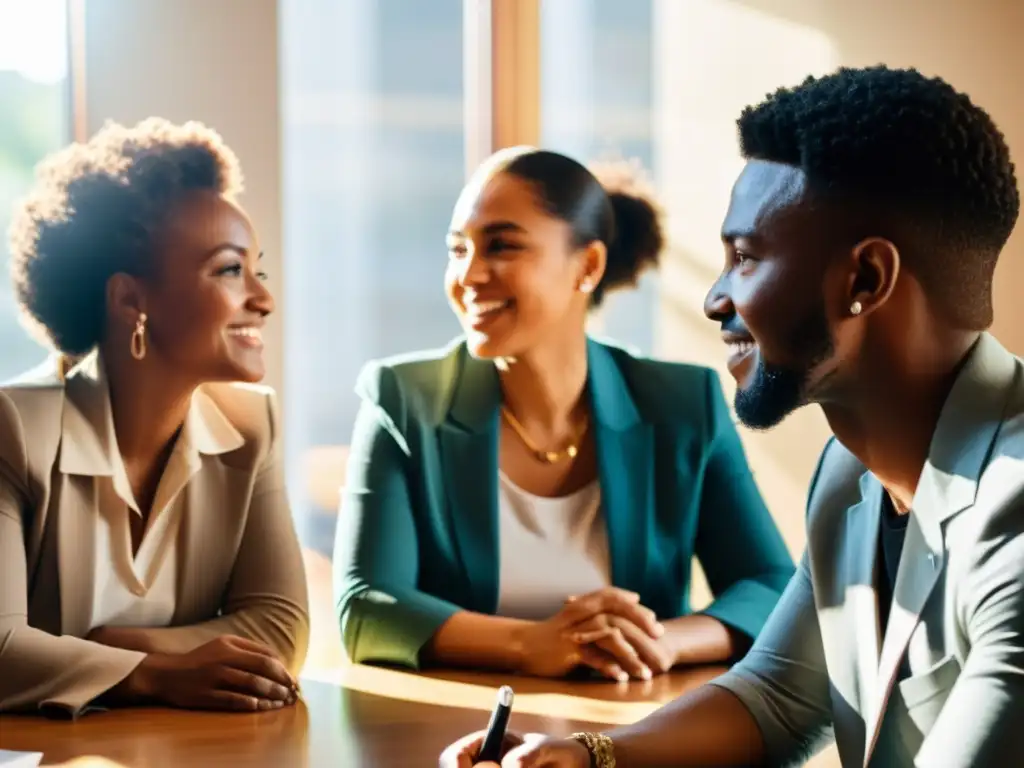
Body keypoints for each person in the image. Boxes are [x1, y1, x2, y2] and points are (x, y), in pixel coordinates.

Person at [439, 65, 1024, 767]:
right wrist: (591, 757)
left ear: (866, 280)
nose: (715, 298)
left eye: (744, 257)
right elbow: (778, 694)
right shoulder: (849, 475)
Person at [334, 146, 794, 684]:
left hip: (635, 727)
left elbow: (770, 585)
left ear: (588, 265)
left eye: (501, 246)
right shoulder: (402, 401)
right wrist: (531, 644)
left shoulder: (681, 403)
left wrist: (664, 641)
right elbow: (366, 606)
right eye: (458, 249)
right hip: (460, 733)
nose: (468, 274)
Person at [0, 119, 309, 718]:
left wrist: (114, 649)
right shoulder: (15, 429)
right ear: (130, 301)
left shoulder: (251, 427)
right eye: (228, 270)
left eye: (258, 270)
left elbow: (280, 628)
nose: (263, 299)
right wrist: (152, 676)